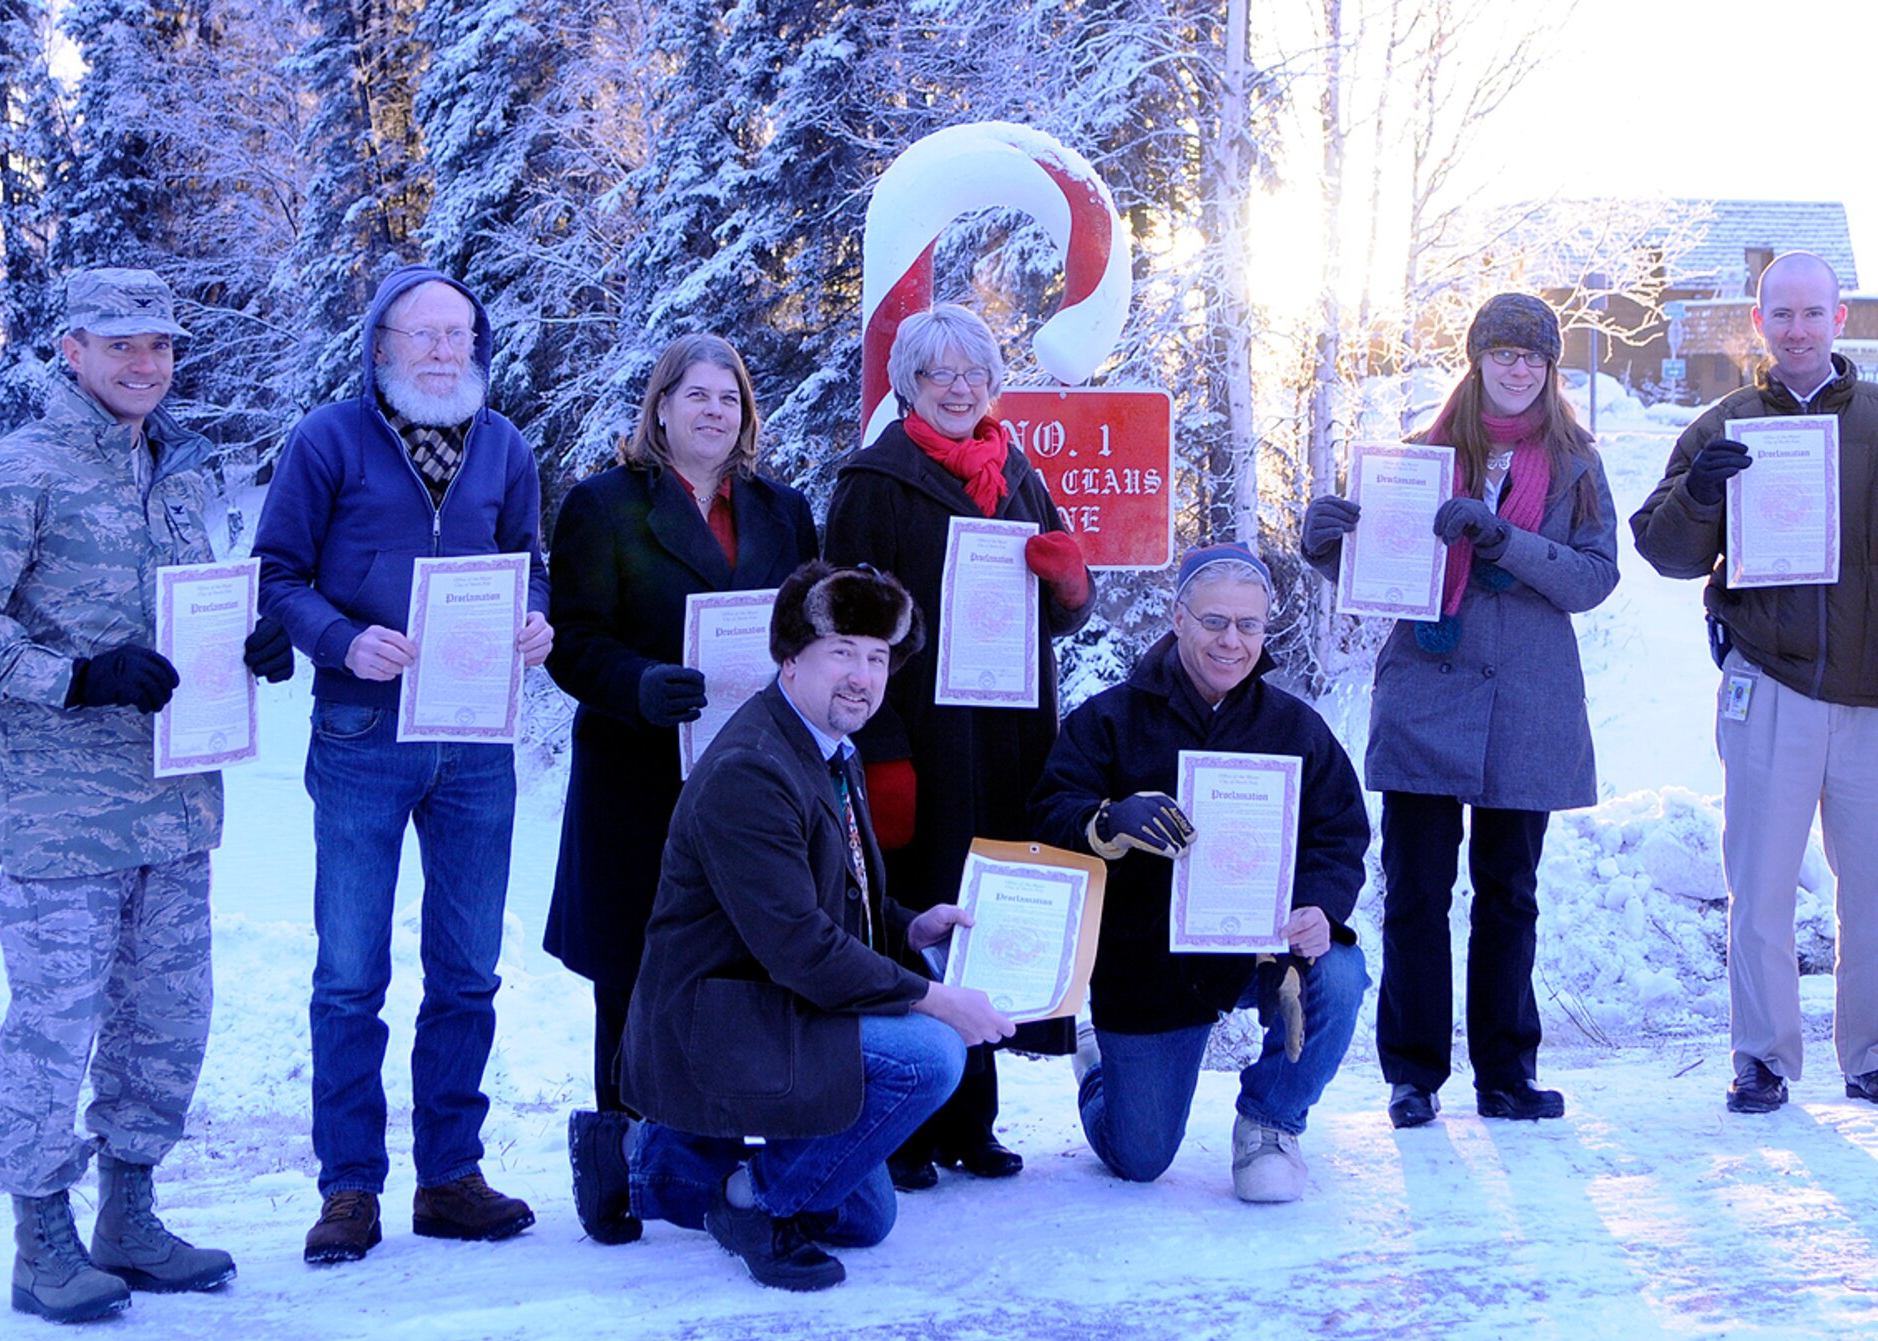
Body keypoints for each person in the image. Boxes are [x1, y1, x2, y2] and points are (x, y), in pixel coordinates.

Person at [0, 268, 293, 1323]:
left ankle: (131, 1214)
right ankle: (41, 1242)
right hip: (61, 809)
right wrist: (71, 677)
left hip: (173, 800)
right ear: (71, 350)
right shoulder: (23, 470)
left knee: (165, 1019)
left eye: (160, 346)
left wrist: (249, 644)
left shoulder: (177, 470)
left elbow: (185, 611)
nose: (145, 364)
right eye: (121, 345)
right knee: (56, 1023)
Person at [567, 561, 1015, 1289]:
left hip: (776, 1003)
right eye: (842, 652)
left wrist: (906, 927)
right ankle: (752, 1202)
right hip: (717, 1019)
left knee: (867, 1218)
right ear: (791, 655)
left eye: (877, 657)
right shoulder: (755, 767)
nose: (863, 677)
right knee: (930, 1054)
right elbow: (802, 947)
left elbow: (827, 902)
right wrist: (935, 999)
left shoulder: (827, 745)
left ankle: (642, 1160)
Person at [253, 264, 554, 1263]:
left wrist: (534, 622)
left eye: (457, 335)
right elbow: (276, 575)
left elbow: (528, 560)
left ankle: (451, 1177)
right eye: (422, 334)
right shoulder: (328, 438)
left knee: (467, 970)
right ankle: (349, 1190)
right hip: (359, 730)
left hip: (473, 735)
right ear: (381, 343)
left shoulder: (503, 444)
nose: (442, 351)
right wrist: (339, 639)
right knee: (349, 974)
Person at [1300, 291, 1618, 1129]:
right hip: (1427, 698)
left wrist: (1504, 540)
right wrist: (1330, 549)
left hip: (1527, 704)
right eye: (1503, 353)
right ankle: (1412, 1074)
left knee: (1508, 892)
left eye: (1533, 356)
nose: (1518, 368)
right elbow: (1386, 581)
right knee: (1414, 892)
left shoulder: (1578, 463)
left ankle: (1506, 1073)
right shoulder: (1416, 460)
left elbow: (1594, 578)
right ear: (1475, 361)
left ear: (1550, 369)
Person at [823, 302, 1095, 1187]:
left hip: (1010, 732)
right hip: (921, 737)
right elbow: (849, 618)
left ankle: (973, 1118)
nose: (959, 387)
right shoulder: (875, 478)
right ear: (910, 383)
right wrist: (881, 744)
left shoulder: (1014, 470)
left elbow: (1060, 611)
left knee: (986, 904)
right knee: (918, 912)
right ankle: (903, 1124)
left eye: (974, 371)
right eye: (940, 373)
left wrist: (1071, 585)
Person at [544, 334, 818, 1165]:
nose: (714, 412)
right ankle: (622, 1157)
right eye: (696, 395)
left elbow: (812, 630)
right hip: (638, 776)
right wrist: (636, 683)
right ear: (660, 405)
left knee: (740, 961)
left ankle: (719, 1150)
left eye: (729, 398)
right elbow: (573, 640)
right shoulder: (604, 505)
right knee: (635, 971)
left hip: (753, 779)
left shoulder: (784, 511)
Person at [1029, 546, 1369, 1198]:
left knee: (1341, 974)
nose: (1231, 641)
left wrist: (1319, 906)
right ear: (1178, 617)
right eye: (1214, 621)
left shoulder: (1294, 726)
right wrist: (1107, 822)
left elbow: (1339, 832)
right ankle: (1102, 1067)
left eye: (1249, 625)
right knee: (1140, 1158)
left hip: (1257, 951)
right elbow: (1049, 815)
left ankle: (1270, 1123)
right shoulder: (1109, 720)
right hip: (1147, 967)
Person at [1631, 251, 1878, 1114]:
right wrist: (1702, 494)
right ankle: (1763, 1055)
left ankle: (1872, 1051)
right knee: (1762, 883)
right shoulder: (1724, 423)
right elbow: (1664, 551)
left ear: (1839, 319)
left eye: (1815, 312)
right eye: (1784, 314)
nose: (1799, 328)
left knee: (1874, 888)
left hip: (1871, 697)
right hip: (1770, 684)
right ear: (1760, 323)